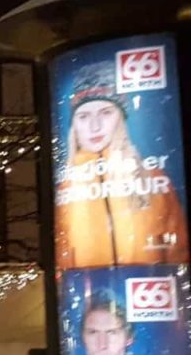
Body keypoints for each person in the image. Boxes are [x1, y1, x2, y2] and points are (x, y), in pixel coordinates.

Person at [57, 61, 189, 269]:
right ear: (74, 126)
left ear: (121, 117)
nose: (95, 126)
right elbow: (60, 264)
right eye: (83, 116)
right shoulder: (65, 191)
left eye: (106, 112)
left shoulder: (154, 179)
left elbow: (180, 254)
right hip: (91, 297)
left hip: (150, 297)